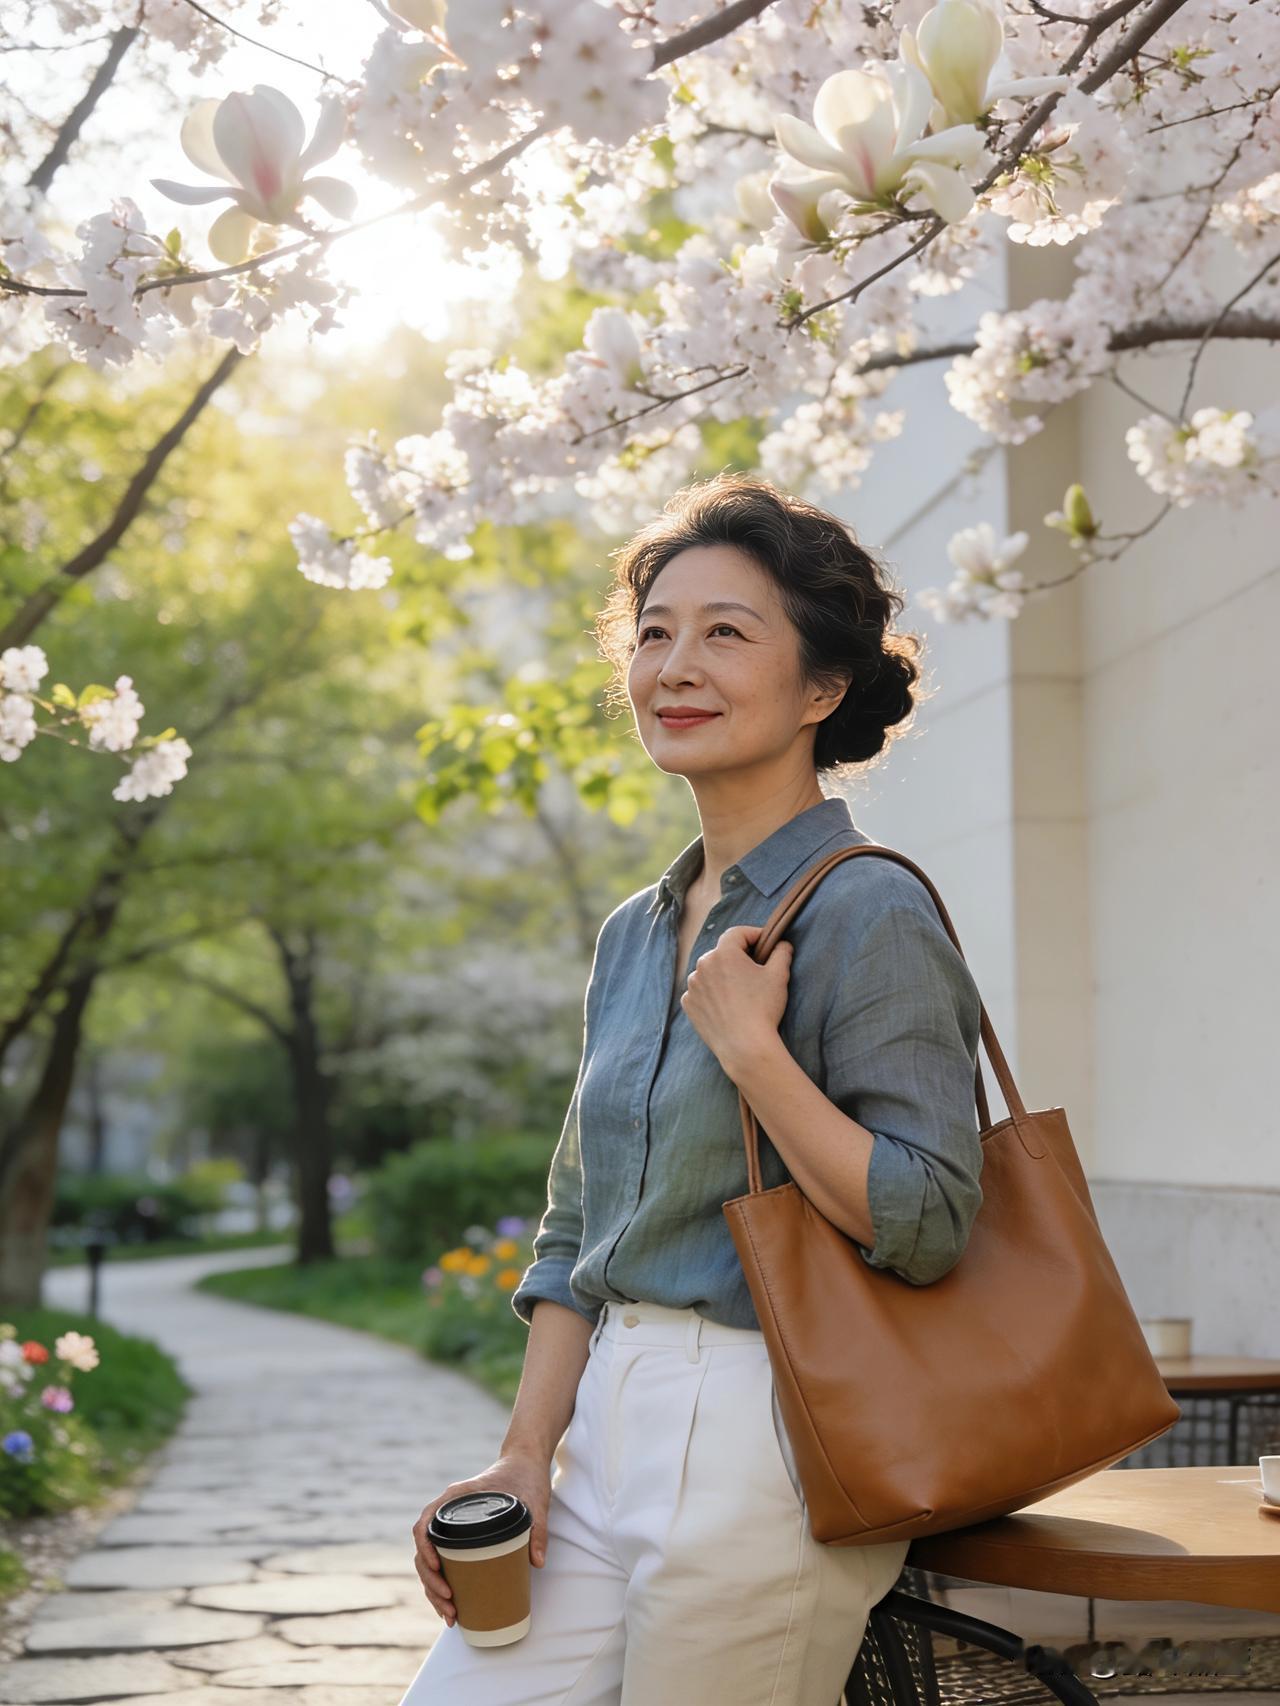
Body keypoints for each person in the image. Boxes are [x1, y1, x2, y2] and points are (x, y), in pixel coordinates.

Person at [398, 472, 986, 1706]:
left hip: (772, 1427)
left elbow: (926, 1220)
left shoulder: (866, 904)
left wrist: (753, 1052)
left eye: (727, 631)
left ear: (821, 687)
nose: (675, 663)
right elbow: (578, 1229)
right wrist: (522, 1453)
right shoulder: (635, 928)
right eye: (654, 631)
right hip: (609, 1410)